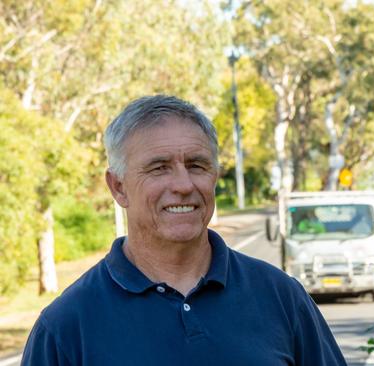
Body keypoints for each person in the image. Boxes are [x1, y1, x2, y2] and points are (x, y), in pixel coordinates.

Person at [21, 95, 347, 366]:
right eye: (159, 168)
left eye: (196, 165)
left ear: (215, 175)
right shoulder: (66, 326)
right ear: (118, 187)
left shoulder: (281, 297)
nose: (183, 185)